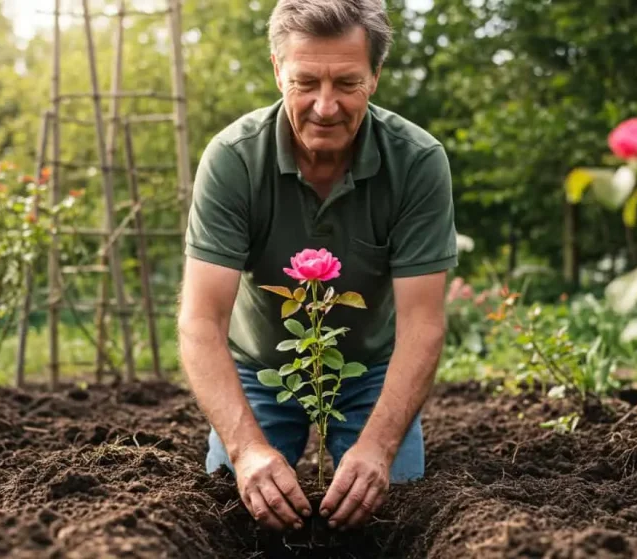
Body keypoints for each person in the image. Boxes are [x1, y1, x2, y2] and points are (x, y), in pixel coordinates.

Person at [176, 0, 457, 534]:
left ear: (374, 77)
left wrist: (376, 448)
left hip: (369, 372)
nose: (325, 107)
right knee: (228, 510)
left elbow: (423, 323)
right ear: (278, 70)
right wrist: (247, 449)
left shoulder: (417, 161)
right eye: (305, 82)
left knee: (393, 509)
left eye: (347, 83)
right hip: (262, 368)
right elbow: (200, 320)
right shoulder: (233, 160)